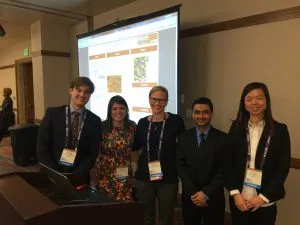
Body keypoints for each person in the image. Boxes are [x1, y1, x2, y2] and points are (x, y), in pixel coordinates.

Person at [224, 82, 291, 225]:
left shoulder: (280, 130)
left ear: (267, 101)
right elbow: (227, 163)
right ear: (244, 103)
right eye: (249, 99)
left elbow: (283, 168)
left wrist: (263, 197)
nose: (254, 102)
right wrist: (235, 193)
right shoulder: (235, 128)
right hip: (240, 200)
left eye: (259, 98)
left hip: (265, 202)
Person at [132, 85, 185, 225]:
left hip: (168, 178)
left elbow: (183, 146)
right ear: (149, 100)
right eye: (154, 99)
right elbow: (135, 145)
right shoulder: (142, 123)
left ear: (166, 101)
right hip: (144, 177)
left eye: (161, 100)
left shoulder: (176, 121)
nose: (157, 103)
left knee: (166, 218)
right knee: (146, 217)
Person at [37, 77, 101, 183]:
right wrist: (57, 174)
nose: (82, 95)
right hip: (51, 176)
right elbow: (42, 149)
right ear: (71, 91)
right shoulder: (52, 114)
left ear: (90, 95)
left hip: (79, 178)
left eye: (86, 92)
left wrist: (76, 175)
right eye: (79, 90)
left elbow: (92, 154)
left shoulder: (94, 121)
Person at [177, 97, 226, 225]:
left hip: (214, 197)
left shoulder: (223, 138)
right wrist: (194, 193)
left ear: (211, 114)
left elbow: (224, 169)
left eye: (205, 112)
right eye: (197, 112)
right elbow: (180, 166)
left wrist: (205, 193)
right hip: (190, 197)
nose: (201, 116)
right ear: (192, 114)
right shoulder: (183, 138)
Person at [93, 95, 136, 201]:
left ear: (126, 110)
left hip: (124, 169)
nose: (118, 111)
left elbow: (136, 150)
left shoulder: (132, 126)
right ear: (109, 110)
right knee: (105, 202)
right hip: (104, 171)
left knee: (123, 199)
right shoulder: (102, 127)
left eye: (122, 108)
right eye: (115, 108)